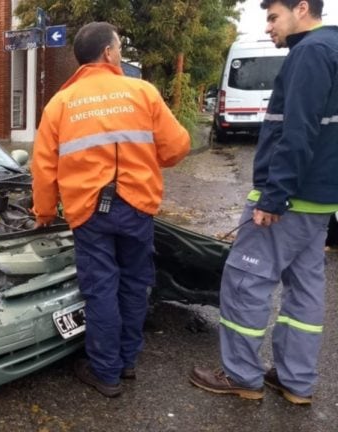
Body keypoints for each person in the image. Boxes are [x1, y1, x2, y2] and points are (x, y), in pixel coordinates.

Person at [190, 0, 338, 405]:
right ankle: (296, 381)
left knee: (244, 283)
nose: (269, 27)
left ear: (302, 8)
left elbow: (299, 130)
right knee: (304, 293)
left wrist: (274, 196)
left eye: (273, 17)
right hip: (319, 203)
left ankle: (241, 375)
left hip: (287, 202)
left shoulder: (311, 52)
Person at [31, 22, 190, 398]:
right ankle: (127, 362)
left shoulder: (61, 103)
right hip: (137, 205)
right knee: (135, 284)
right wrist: (145, 158)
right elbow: (177, 147)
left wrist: (44, 213)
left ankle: (106, 373)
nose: (119, 53)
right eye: (119, 47)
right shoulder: (142, 92)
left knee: (101, 289)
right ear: (107, 53)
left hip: (88, 211)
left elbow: (42, 167)